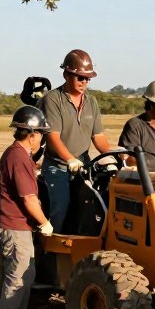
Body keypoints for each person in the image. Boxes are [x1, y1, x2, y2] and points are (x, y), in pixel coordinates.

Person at [0, 105, 54, 309]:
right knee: (18, 277)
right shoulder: (18, 157)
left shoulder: (15, 154)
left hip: (13, 224)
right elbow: (28, 199)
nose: (41, 139)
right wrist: (45, 223)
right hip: (15, 227)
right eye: (41, 134)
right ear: (32, 134)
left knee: (22, 275)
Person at [39, 49, 110, 231]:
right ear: (66, 74)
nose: (84, 82)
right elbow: (52, 136)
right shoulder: (53, 100)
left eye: (87, 78)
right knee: (61, 207)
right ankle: (50, 250)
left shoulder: (91, 102)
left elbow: (98, 136)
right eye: (80, 77)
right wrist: (69, 158)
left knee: (96, 207)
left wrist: (112, 156)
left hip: (84, 166)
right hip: (58, 166)